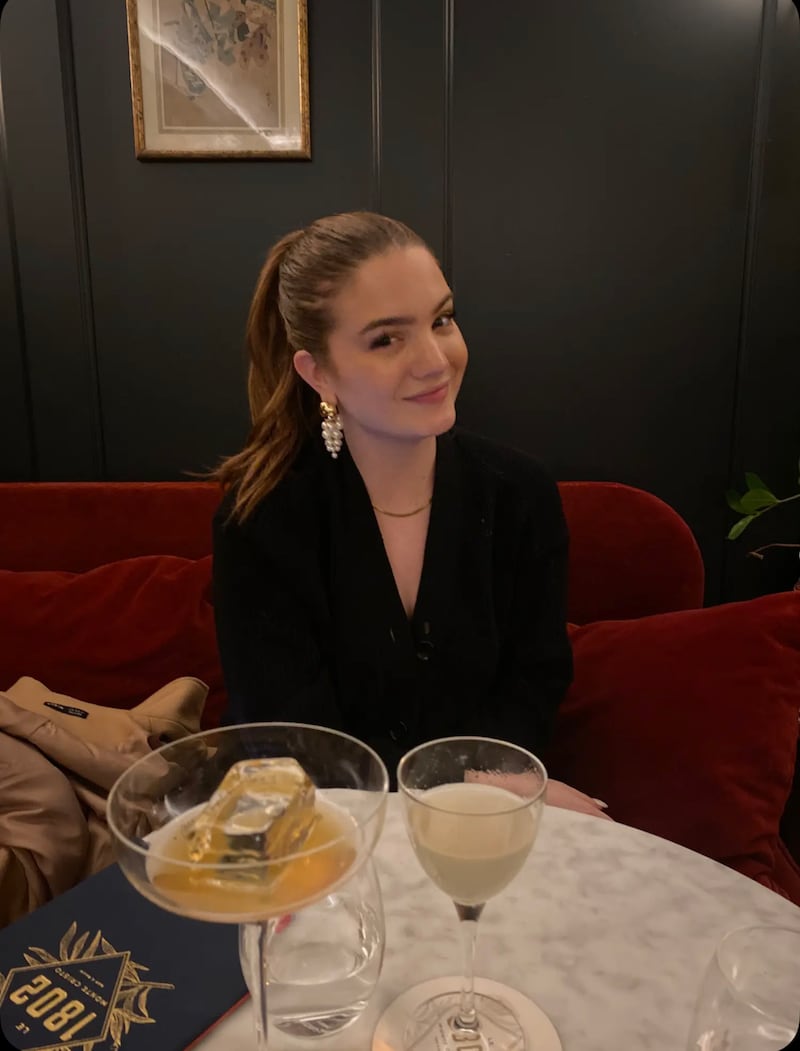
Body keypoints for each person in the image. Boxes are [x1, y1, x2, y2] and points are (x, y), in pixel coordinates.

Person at [211, 211, 607, 819]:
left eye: (441, 320)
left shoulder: (519, 493)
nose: (435, 360)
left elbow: (536, 681)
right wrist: (461, 786)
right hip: (329, 828)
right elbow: (294, 740)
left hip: (490, 817)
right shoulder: (262, 516)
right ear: (318, 373)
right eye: (386, 339)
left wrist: (484, 795)